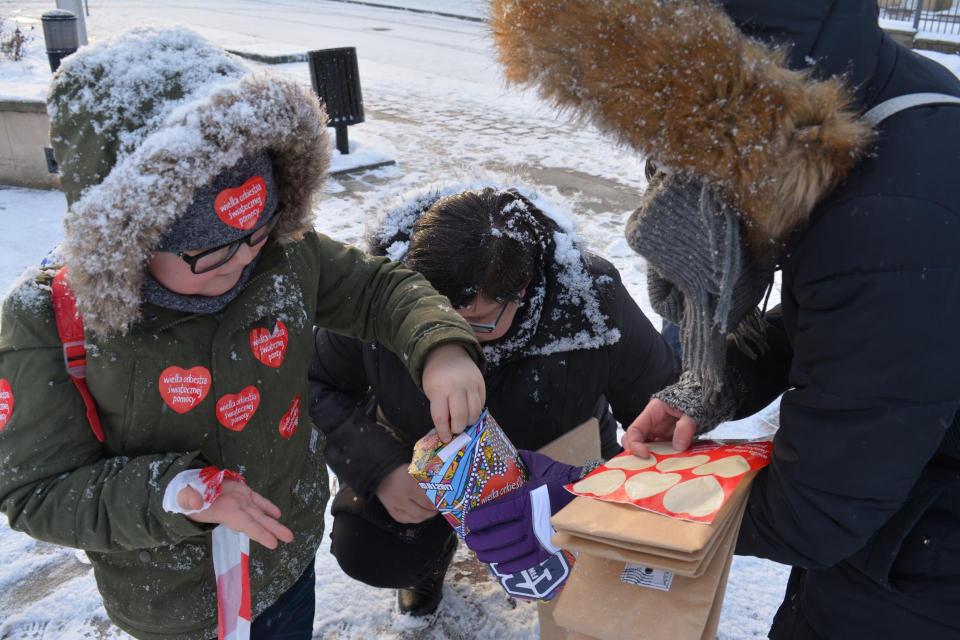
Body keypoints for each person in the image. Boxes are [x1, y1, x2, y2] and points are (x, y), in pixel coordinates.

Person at [479, 1, 960, 638]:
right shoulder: (890, 101)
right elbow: (840, 323)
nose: (658, 156)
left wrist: (608, 503)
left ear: (714, 93)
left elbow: (816, 514)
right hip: (908, 516)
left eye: (664, 127)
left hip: (921, 568)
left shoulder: (889, 217)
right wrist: (716, 384)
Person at [0, 29, 485, 640]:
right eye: (209, 251)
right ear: (131, 238)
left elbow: (377, 290)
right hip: (175, 602)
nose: (241, 261)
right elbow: (36, 491)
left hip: (284, 557)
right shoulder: (48, 320)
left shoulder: (283, 252)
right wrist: (176, 492)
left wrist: (439, 345)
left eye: (257, 234)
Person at [308, 184, 678, 615]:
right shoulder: (380, 293)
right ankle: (430, 561)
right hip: (421, 467)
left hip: (551, 471)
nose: (453, 339)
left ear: (522, 290)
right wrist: (379, 468)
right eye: (430, 319)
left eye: (476, 323)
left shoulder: (590, 298)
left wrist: (599, 486)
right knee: (370, 552)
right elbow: (315, 385)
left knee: (593, 586)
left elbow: (660, 409)